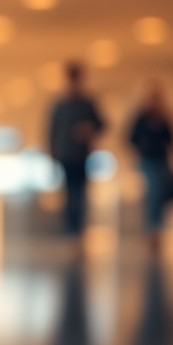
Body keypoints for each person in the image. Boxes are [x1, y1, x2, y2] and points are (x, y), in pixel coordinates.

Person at [47, 62, 105, 250]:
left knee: (80, 195)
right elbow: (52, 131)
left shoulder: (87, 103)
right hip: (65, 156)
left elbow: (101, 124)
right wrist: (52, 154)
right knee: (69, 196)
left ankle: (78, 232)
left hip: (81, 156)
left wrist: (89, 130)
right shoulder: (59, 104)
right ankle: (71, 232)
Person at [128, 80, 173, 255]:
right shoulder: (141, 117)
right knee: (154, 191)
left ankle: (157, 228)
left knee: (159, 194)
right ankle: (152, 229)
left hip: (162, 160)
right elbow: (130, 138)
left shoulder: (164, 117)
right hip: (147, 160)